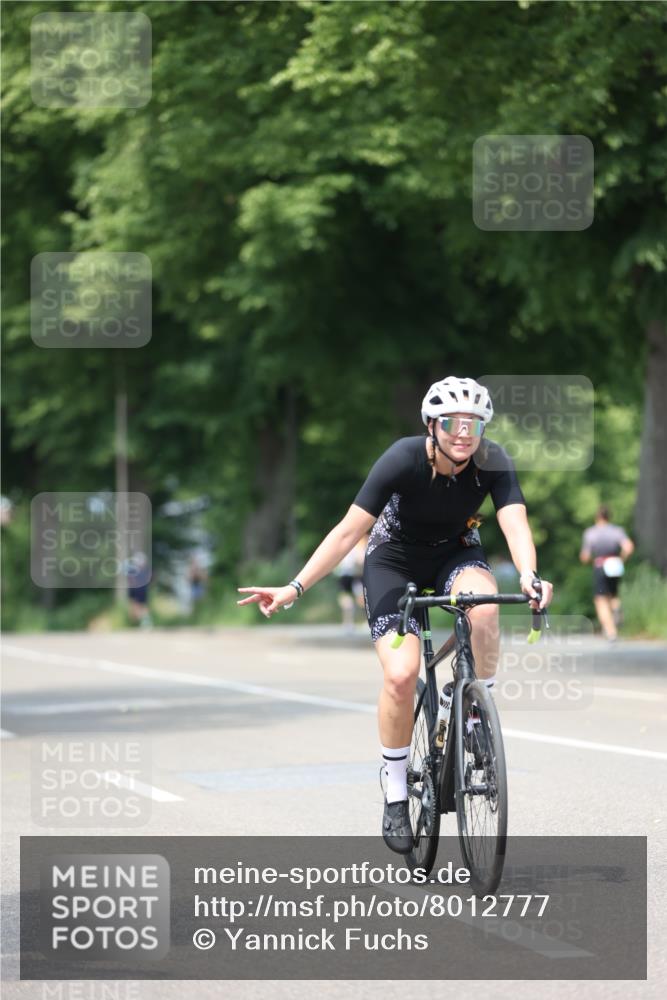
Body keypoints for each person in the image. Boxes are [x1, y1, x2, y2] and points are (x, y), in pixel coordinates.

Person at [238, 376, 553, 854]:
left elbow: (515, 522)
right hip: (394, 560)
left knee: (485, 610)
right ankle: (396, 788)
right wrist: (295, 587)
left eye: (474, 424)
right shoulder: (403, 458)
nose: (463, 433)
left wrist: (530, 575)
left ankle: (474, 715)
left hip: (456, 554)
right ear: (432, 425)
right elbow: (348, 533)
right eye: (452, 423)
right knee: (402, 677)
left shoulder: (493, 461)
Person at [580, 505, 634, 642]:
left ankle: (611, 632)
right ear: (609, 517)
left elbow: (585, 556)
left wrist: (590, 559)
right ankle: (617, 609)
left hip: (601, 564)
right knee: (614, 594)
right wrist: (621, 559)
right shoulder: (617, 531)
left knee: (600, 600)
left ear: (597, 517)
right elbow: (628, 547)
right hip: (615, 564)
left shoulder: (591, 532)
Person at [334, 534, 368, 629]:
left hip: (343, 574)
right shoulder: (359, 545)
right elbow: (360, 561)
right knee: (360, 597)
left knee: (346, 597)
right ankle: (364, 621)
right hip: (354, 575)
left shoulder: (343, 544)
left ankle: (347, 622)